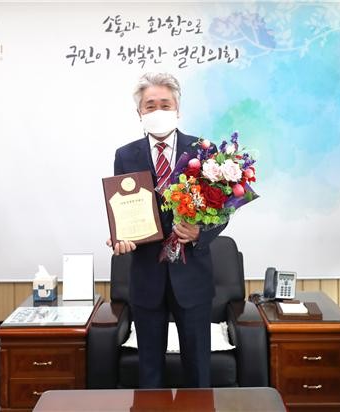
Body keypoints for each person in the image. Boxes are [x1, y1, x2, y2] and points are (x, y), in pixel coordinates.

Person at [107, 72, 226, 388]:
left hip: (193, 278)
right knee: (149, 374)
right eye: (150, 105)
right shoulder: (125, 155)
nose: (158, 110)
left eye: (165, 104)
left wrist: (200, 233)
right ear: (139, 112)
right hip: (147, 277)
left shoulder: (204, 151)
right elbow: (124, 209)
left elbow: (222, 210)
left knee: (198, 372)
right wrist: (122, 237)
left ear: (177, 109)